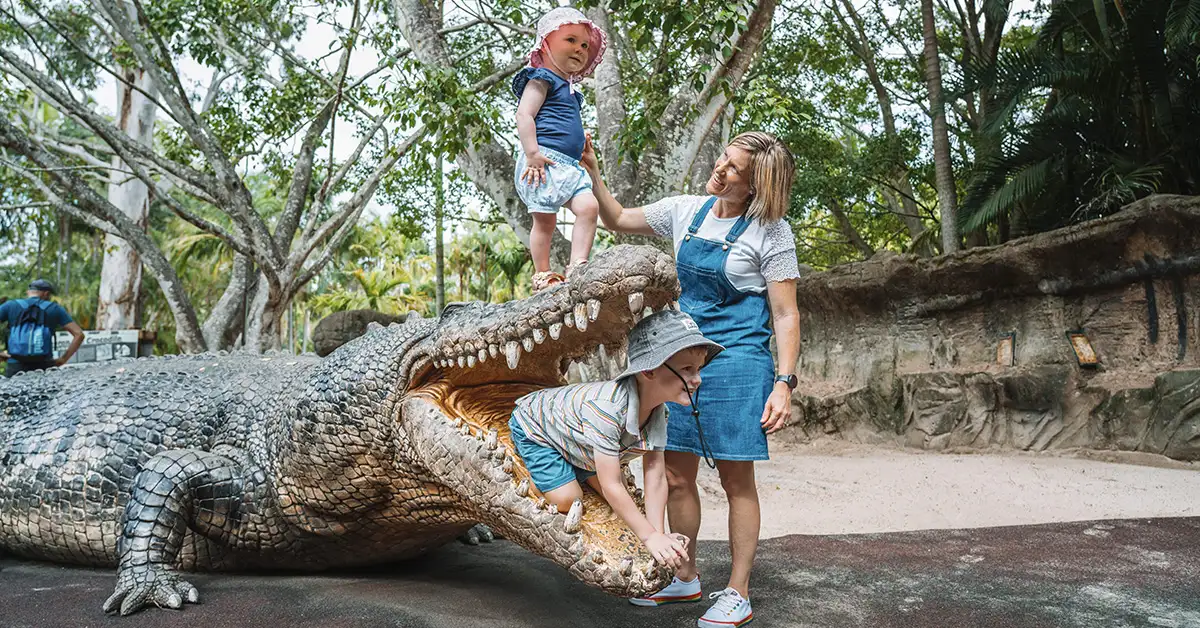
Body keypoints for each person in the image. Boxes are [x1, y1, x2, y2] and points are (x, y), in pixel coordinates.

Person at [580, 131, 801, 628]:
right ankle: (685, 576)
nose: (720, 170)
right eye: (723, 158)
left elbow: (785, 315)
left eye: (734, 170)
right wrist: (592, 170)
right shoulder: (686, 210)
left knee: (735, 479)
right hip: (681, 360)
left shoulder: (772, 233)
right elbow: (616, 218)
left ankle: (738, 592)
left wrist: (783, 382)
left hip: (740, 361)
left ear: (756, 187)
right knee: (676, 475)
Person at [508, 310, 723, 569]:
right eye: (687, 369)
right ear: (649, 371)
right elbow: (612, 484)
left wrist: (658, 534)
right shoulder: (608, 410)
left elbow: (655, 473)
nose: (697, 379)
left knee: (620, 498)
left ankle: (578, 465)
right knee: (569, 499)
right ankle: (543, 468)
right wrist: (649, 536)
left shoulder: (659, 411)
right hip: (537, 426)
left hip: (579, 440)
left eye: (698, 369)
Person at [512, 7, 607, 291]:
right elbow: (524, 115)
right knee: (545, 221)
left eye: (585, 45)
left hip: (569, 165)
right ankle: (542, 273)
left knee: (589, 207)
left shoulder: (571, 91)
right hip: (543, 162)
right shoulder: (541, 79)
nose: (579, 49)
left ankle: (578, 265)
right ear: (546, 43)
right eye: (571, 40)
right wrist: (532, 154)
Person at [0, 279, 85, 377]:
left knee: (13, 392)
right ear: (46, 294)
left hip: (15, 364)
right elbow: (79, 334)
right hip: (44, 365)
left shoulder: (10, 305)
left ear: (28, 292)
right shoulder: (54, 308)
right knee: (44, 392)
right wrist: (63, 359)